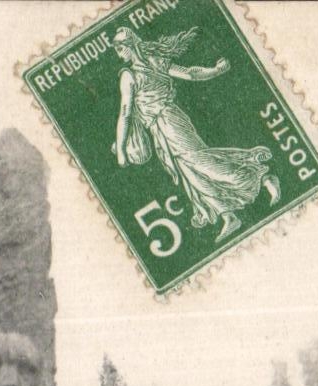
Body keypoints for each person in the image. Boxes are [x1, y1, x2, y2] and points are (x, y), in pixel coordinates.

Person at [113, 25, 279, 243]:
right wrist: (216, 70)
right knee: (188, 172)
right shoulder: (154, 63)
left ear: (130, 45)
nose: (118, 52)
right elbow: (189, 74)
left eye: (119, 46)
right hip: (160, 129)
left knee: (201, 163)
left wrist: (121, 150)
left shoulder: (130, 75)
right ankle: (227, 216)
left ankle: (262, 176)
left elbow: (125, 112)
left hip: (169, 122)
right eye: (116, 48)